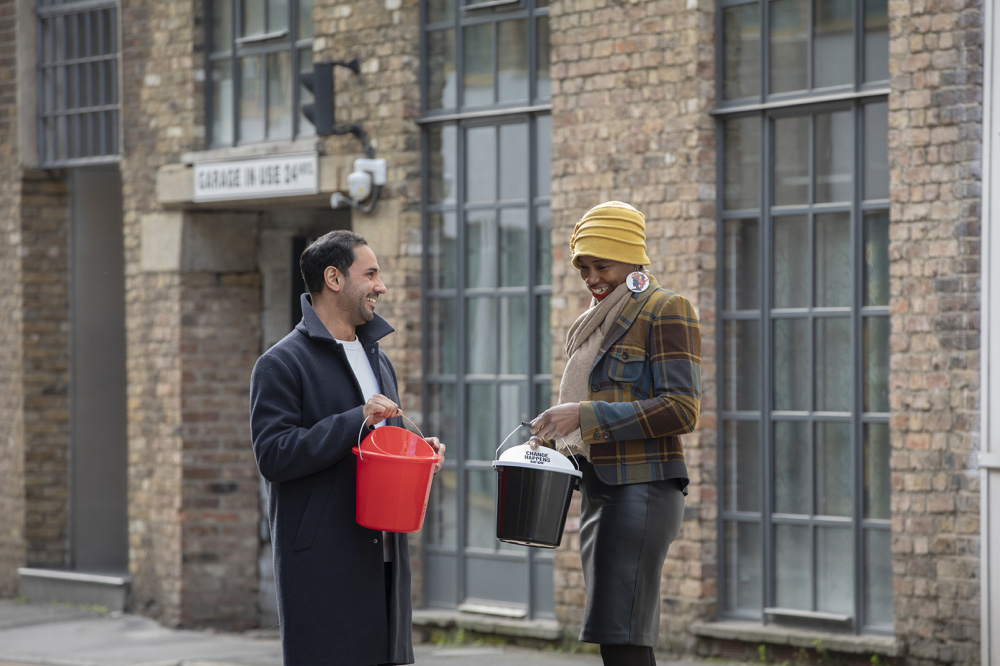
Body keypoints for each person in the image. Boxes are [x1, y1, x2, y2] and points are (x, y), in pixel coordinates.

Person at [249, 229, 444, 666]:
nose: (381, 286)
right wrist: (356, 417)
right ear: (334, 278)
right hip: (324, 564)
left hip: (386, 558)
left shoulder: (380, 358)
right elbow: (274, 456)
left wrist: (417, 452)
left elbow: (379, 448)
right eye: (370, 274)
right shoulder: (280, 364)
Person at [529, 201, 701, 666]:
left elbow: (682, 409)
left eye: (601, 264)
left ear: (632, 258)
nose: (591, 277)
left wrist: (585, 416)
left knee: (622, 636)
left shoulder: (667, 309)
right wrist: (552, 432)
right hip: (604, 490)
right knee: (618, 635)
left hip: (642, 490)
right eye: (583, 266)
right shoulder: (599, 319)